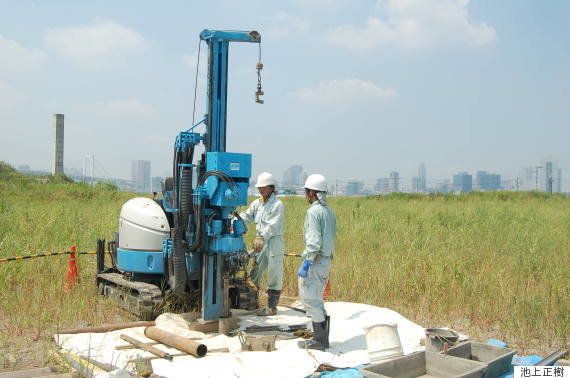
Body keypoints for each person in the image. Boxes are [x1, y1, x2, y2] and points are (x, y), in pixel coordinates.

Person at [297, 173, 336, 351]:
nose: (306, 195)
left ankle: (319, 342)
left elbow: (313, 242)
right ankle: (324, 340)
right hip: (325, 261)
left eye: (306, 191)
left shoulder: (314, 212)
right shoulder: (329, 211)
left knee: (310, 299)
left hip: (315, 261)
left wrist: (306, 263)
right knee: (318, 299)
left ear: (312, 192)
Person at [239, 172, 285, 316]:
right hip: (261, 243)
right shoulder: (257, 203)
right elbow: (247, 216)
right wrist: (234, 220)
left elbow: (272, 225)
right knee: (255, 271)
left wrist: (262, 237)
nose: (261, 190)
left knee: (274, 274)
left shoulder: (277, 204)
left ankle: (272, 308)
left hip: (273, 242)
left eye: (264, 188)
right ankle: (252, 304)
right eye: (259, 187)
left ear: (271, 188)